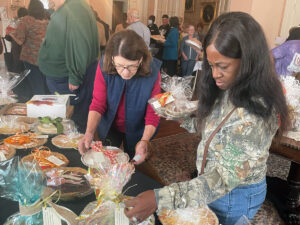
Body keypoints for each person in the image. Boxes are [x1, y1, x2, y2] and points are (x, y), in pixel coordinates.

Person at [123, 12, 289, 225]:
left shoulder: (255, 113)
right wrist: (180, 118)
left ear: (248, 61)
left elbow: (220, 180)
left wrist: (159, 198)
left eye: (223, 66)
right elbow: (217, 129)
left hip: (233, 195)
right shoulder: (232, 86)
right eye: (211, 65)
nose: (215, 74)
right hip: (214, 186)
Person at [78, 30, 161, 164]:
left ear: (141, 59)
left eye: (132, 66)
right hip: (111, 125)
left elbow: (153, 112)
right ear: (112, 59)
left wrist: (145, 140)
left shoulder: (153, 72)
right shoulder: (104, 65)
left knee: (134, 164)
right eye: (120, 66)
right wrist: (89, 133)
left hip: (138, 127)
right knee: (106, 162)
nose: (126, 72)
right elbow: (98, 104)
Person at [38, 0, 99, 97]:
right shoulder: (70, 7)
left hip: (66, 78)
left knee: (72, 111)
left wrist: (75, 77)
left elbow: (80, 42)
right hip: (63, 76)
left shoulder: (75, 7)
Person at [9, 0, 49, 98]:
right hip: (45, 58)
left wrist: (11, 33)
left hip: (30, 58)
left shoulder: (26, 20)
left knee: (36, 86)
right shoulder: (47, 21)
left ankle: (39, 108)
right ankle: (47, 106)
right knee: (45, 85)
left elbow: (20, 40)